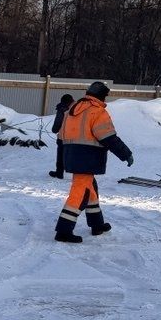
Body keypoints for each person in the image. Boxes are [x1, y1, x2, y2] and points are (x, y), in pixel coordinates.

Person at [55, 81, 134, 244]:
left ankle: (97, 224)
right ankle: (64, 230)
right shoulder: (97, 112)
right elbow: (109, 138)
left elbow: (61, 135)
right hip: (88, 158)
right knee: (80, 193)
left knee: (91, 189)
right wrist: (126, 154)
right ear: (102, 96)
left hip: (71, 156)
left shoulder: (73, 109)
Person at [48, 93, 74, 179]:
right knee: (74, 156)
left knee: (61, 155)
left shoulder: (62, 108)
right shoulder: (78, 107)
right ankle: (78, 175)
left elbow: (58, 122)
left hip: (63, 137)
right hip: (75, 137)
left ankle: (59, 173)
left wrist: (54, 130)